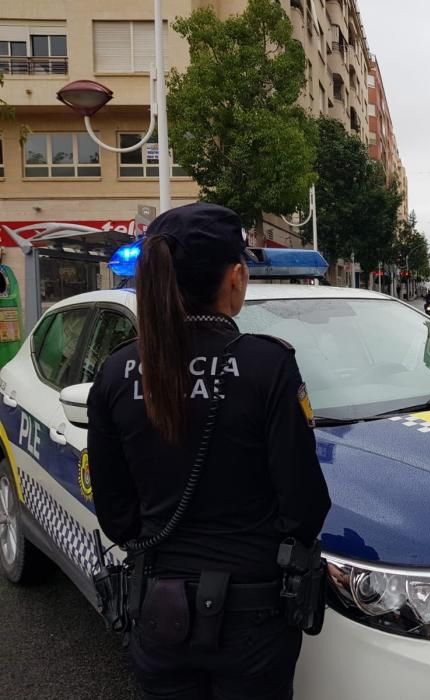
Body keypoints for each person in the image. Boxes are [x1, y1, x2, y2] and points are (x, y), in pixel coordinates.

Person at [87, 203, 331, 700]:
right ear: (235, 277)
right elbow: (305, 506)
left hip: (158, 609)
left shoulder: (115, 372)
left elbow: (115, 514)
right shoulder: (268, 365)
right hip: (253, 617)